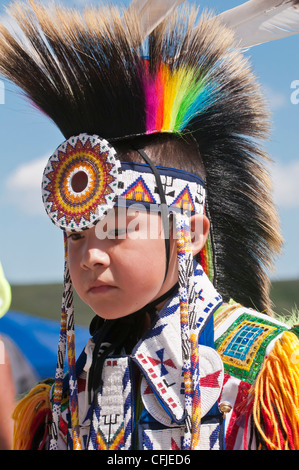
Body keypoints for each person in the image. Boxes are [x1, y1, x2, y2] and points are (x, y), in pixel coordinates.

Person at [1, 0, 299, 451]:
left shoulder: (267, 374)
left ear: (191, 233)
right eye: (76, 235)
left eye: (118, 230)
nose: (91, 255)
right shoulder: (65, 397)